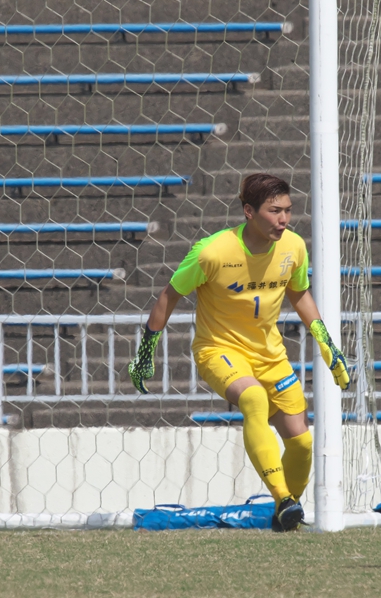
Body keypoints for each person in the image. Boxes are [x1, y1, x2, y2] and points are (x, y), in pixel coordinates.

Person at [126, 173, 351, 532]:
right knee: (253, 399)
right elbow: (169, 295)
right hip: (219, 350)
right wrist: (145, 352)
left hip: (270, 355)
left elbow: (299, 293)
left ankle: (286, 517)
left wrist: (326, 342)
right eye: (274, 211)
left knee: (302, 442)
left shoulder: (293, 247)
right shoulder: (212, 252)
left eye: (288, 210)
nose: (283, 219)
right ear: (249, 211)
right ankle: (282, 497)